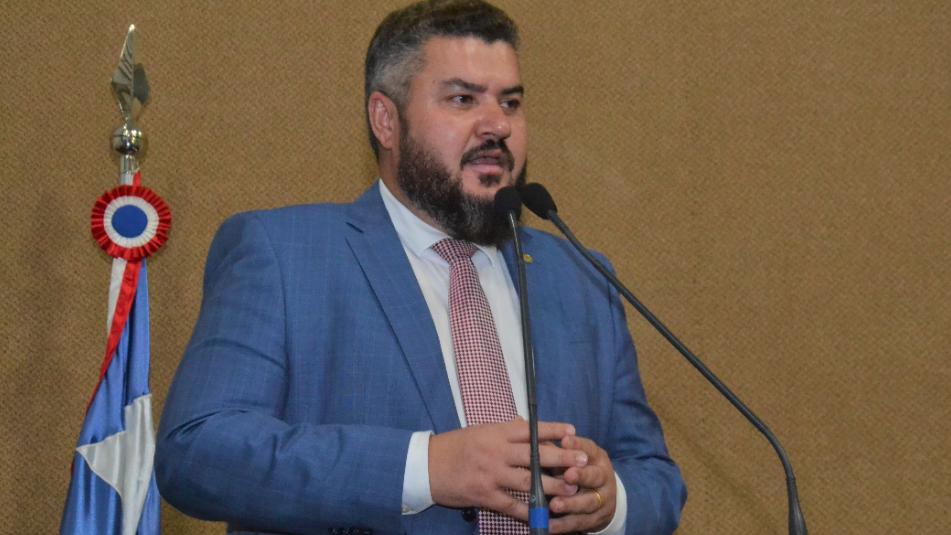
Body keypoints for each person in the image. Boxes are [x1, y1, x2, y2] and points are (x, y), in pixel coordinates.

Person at [156, 1, 686, 534]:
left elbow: (656, 478)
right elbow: (197, 452)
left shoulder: (581, 278)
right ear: (386, 121)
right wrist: (425, 468)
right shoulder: (283, 255)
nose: (498, 125)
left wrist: (610, 500)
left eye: (510, 102)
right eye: (463, 99)